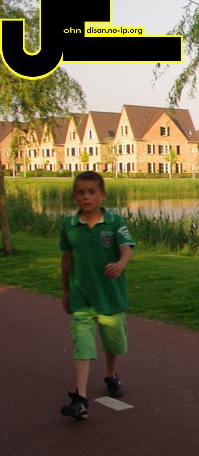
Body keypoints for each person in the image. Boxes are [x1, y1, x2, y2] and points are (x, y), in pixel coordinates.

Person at [59, 171, 135, 420]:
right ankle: (80, 399)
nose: (86, 197)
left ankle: (111, 375)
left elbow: (126, 249)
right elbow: (66, 259)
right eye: (81, 192)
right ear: (74, 197)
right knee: (82, 345)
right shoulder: (69, 226)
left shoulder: (115, 222)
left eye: (91, 192)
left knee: (114, 344)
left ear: (102, 194)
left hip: (110, 298)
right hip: (81, 298)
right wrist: (66, 291)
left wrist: (120, 264)